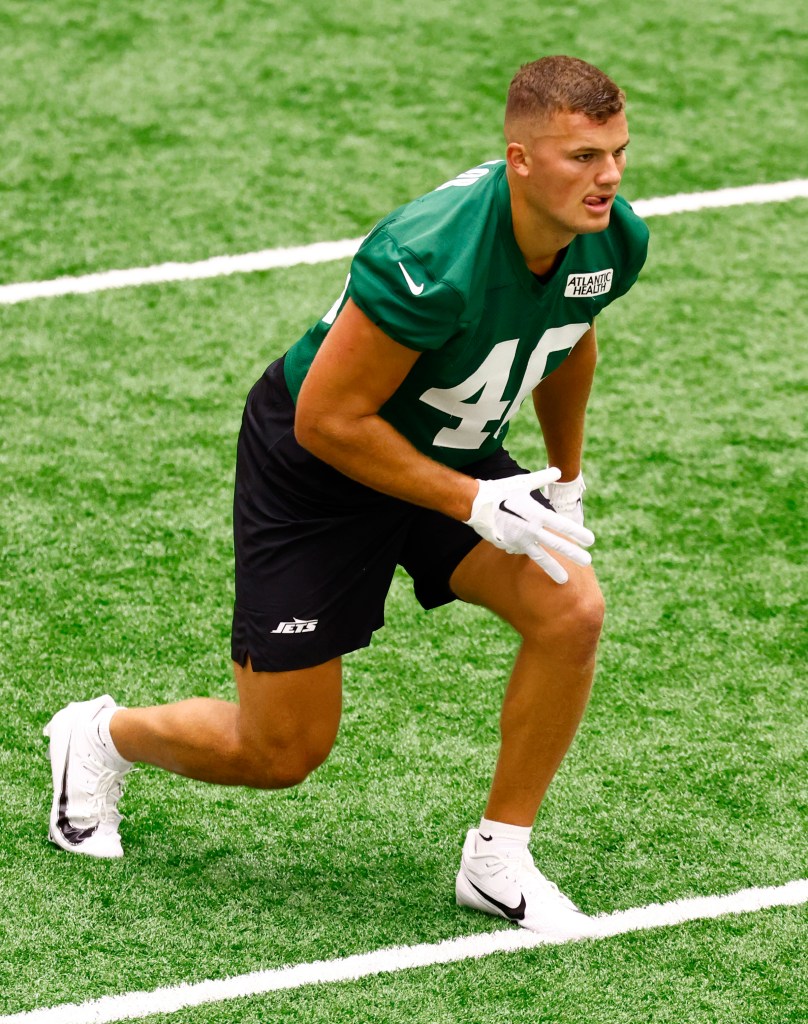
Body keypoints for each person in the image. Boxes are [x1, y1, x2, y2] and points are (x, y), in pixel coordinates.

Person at [44, 55, 648, 938]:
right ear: (519, 160)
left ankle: (498, 858)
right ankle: (100, 737)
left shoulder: (608, 236)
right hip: (320, 467)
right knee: (281, 751)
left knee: (571, 610)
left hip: (444, 444)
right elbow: (328, 420)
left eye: (618, 153)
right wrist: (472, 503)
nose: (609, 178)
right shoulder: (428, 254)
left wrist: (566, 481)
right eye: (583, 157)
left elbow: (567, 336)